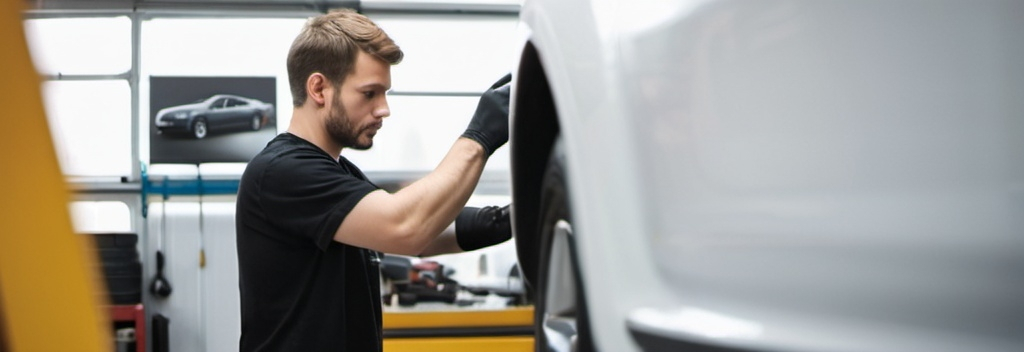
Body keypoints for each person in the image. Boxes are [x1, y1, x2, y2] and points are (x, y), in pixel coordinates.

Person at [235, 9, 514, 352]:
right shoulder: (281, 171)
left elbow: (424, 233)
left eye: (385, 94)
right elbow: (406, 226)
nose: (384, 109)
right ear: (319, 88)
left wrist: (509, 219)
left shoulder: (340, 172)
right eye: (369, 93)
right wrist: (480, 136)